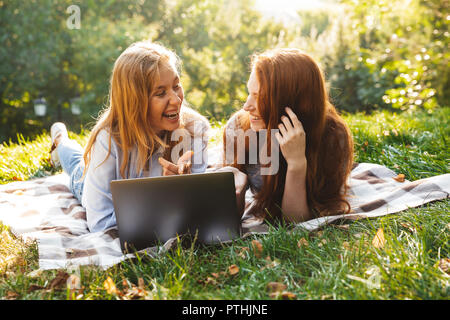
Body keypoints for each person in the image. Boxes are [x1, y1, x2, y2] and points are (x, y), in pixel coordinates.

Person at [49, 41, 210, 233]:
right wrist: (162, 199)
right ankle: (60, 140)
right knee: (77, 166)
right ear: (135, 102)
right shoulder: (108, 141)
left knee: (81, 163)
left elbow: (197, 212)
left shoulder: (196, 130)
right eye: (160, 93)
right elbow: (100, 223)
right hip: (89, 186)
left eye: (176, 86)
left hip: (130, 205)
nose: (176, 100)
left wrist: (184, 188)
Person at [222, 48, 354, 223]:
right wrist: (232, 189)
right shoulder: (238, 129)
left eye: (260, 97)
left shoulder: (332, 136)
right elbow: (229, 217)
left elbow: (294, 221)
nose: (247, 106)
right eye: (249, 93)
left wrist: (296, 163)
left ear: (292, 102)